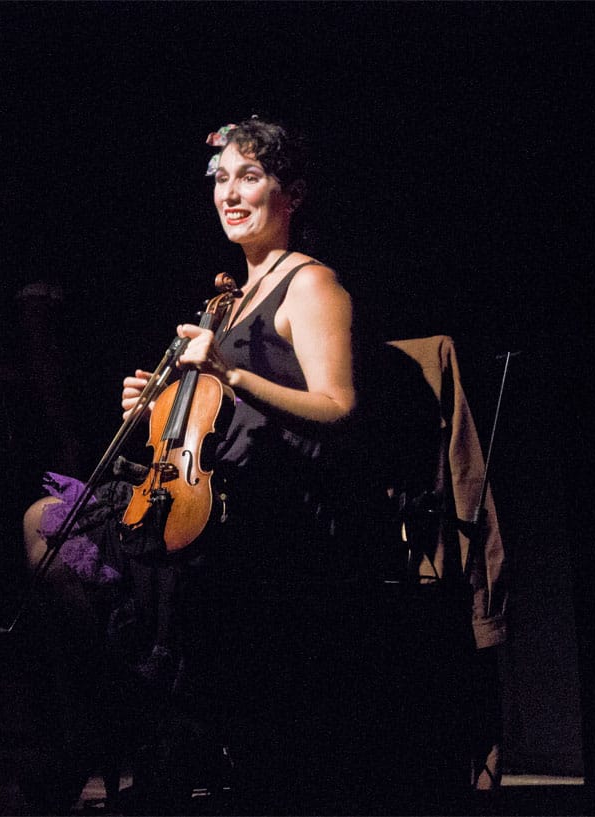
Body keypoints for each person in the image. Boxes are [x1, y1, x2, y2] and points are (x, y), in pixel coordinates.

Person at [120, 116, 356, 813]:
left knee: (153, 560)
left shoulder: (310, 284)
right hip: (219, 491)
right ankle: (123, 731)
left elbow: (338, 407)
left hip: (278, 507)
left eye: (249, 176)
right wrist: (157, 402)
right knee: (50, 526)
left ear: (293, 193)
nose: (229, 193)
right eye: (221, 178)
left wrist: (231, 372)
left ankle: (159, 743)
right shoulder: (225, 300)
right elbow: (210, 417)